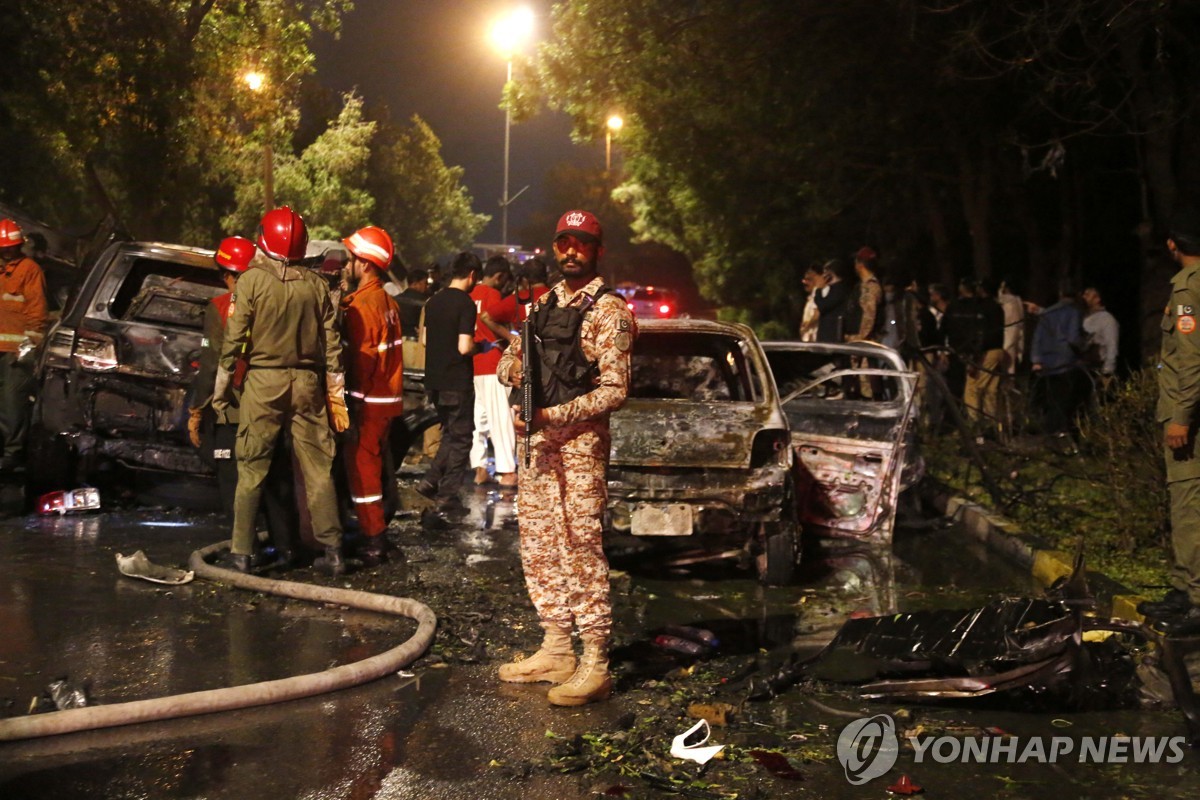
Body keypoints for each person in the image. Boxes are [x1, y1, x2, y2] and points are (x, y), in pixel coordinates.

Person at [496, 209, 636, 707]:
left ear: (597, 250)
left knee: (580, 548)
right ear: (555, 248)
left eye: (581, 242)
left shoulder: (609, 311)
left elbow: (615, 390)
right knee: (539, 546)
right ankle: (557, 646)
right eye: (563, 242)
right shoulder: (539, 308)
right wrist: (519, 381)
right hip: (536, 446)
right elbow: (507, 360)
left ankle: (595, 659)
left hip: (578, 448)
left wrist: (554, 413)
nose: (570, 250)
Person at [215, 207, 348, 576]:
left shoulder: (251, 282)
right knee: (319, 467)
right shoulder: (317, 284)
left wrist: (221, 392)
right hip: (308, 384)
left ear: (263, 238)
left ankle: (241, 553)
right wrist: (336, 399)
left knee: (252, 467)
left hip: (263, 383)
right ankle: (334, 551)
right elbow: (333, 348)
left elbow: (233, 341)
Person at [188, 236, 298, 567]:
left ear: (227, 273)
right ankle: (288, 549)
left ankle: (243, 553)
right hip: (273, 401)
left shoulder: (219, 308)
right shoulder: (275, 301)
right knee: (275, 477)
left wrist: (197, 410)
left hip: (234, 406)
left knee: (234, 479)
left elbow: (211, 360)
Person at [1140, 211, 1200, 632]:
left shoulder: (1187, 288)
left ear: (1172, 246)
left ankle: (1196, 600)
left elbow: (1191, 360)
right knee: (1186, 505)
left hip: (1190, 419)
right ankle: (1183, 591)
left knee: (1189, 506)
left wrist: (1180, 418)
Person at [341, 225, 405, 566]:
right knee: (376, 468)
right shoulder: (388, 302)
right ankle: (377, 531)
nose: (347, 264)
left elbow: (361, 363)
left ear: (364, 263)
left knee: (362, 471)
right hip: (386, 401)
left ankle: (373, 538)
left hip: (367, 403)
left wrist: (347, 404)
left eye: (351, 258)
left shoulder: (362, 306)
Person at [415, 252, 482, 518]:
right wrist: (481, 347)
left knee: (450, 435)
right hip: (457, 380)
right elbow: (464, 347)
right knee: (463, 438)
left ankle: (430, 481)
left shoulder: (433, 301)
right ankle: (447, 495)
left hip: (434, 381)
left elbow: (424, 340)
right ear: (473, 275)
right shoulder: (465, 304)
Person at [0, 219, 47, 471]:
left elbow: (37, 312)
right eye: (3, 248)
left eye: (11, 247)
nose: (7, 251)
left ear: (19, 246)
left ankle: (13, 453)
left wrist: (28, 346)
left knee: (12, 402)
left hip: (16, 353)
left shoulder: (30, 270)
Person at [469, 256, 518, 488]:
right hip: (494, 363)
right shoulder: (494, 296)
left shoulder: (469, 294)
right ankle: (507, 471)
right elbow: (501, 329)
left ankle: (479, 468)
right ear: (499, 276)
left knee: (480, 420)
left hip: (474, 364)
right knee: (502, 418)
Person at [1029, 283, 1086, 437]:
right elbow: (1073, 338)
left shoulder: (1047, 313)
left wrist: (1036, 359)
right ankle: (1060, 431)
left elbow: (1037, 337)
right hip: (1065, 361)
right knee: (1063, 398)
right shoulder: (1073, 313)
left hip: (1047, 360)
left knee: (1051, 397)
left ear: (1061, 293)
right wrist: (1084, 348)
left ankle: (1049, 430)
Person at [1081, 285, 1119, 380]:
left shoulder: (1106, 319)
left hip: (1097, 368)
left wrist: (1107, 371)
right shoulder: (1083, 318)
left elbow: (1112, 344)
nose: (1083, 297)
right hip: (1082, 368)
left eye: (1087, 295)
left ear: (1097, 299)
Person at [813, 259, 850, 343]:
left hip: (832, 335)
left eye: (826, 272)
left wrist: (818, 290)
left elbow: (823, 306)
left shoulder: (840, 289)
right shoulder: (833, 289)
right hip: (826, 334)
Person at [397, 264, 432, 340]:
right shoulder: (424, 301)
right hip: (416, 342)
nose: (426, 286)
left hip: (398, 341)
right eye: (425, 283)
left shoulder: (396, 299)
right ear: (415, 283)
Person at [799, 262, 823, 342]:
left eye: (809, 279)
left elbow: (817, 313)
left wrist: (806, 327)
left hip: (813, 339)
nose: (805, 282)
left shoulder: (817, 294)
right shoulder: (811, 297)